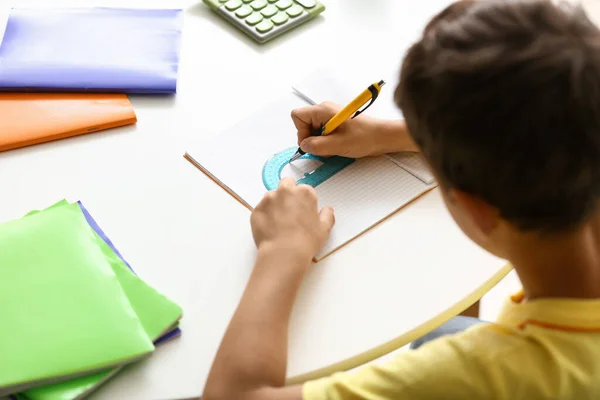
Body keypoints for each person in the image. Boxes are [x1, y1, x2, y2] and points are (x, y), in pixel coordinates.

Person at [202, 0, 600, 399]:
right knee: (445, 330)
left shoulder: (472, 376)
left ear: (477, 210)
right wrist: (391, 135)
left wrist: (281, 252)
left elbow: (235, 394)